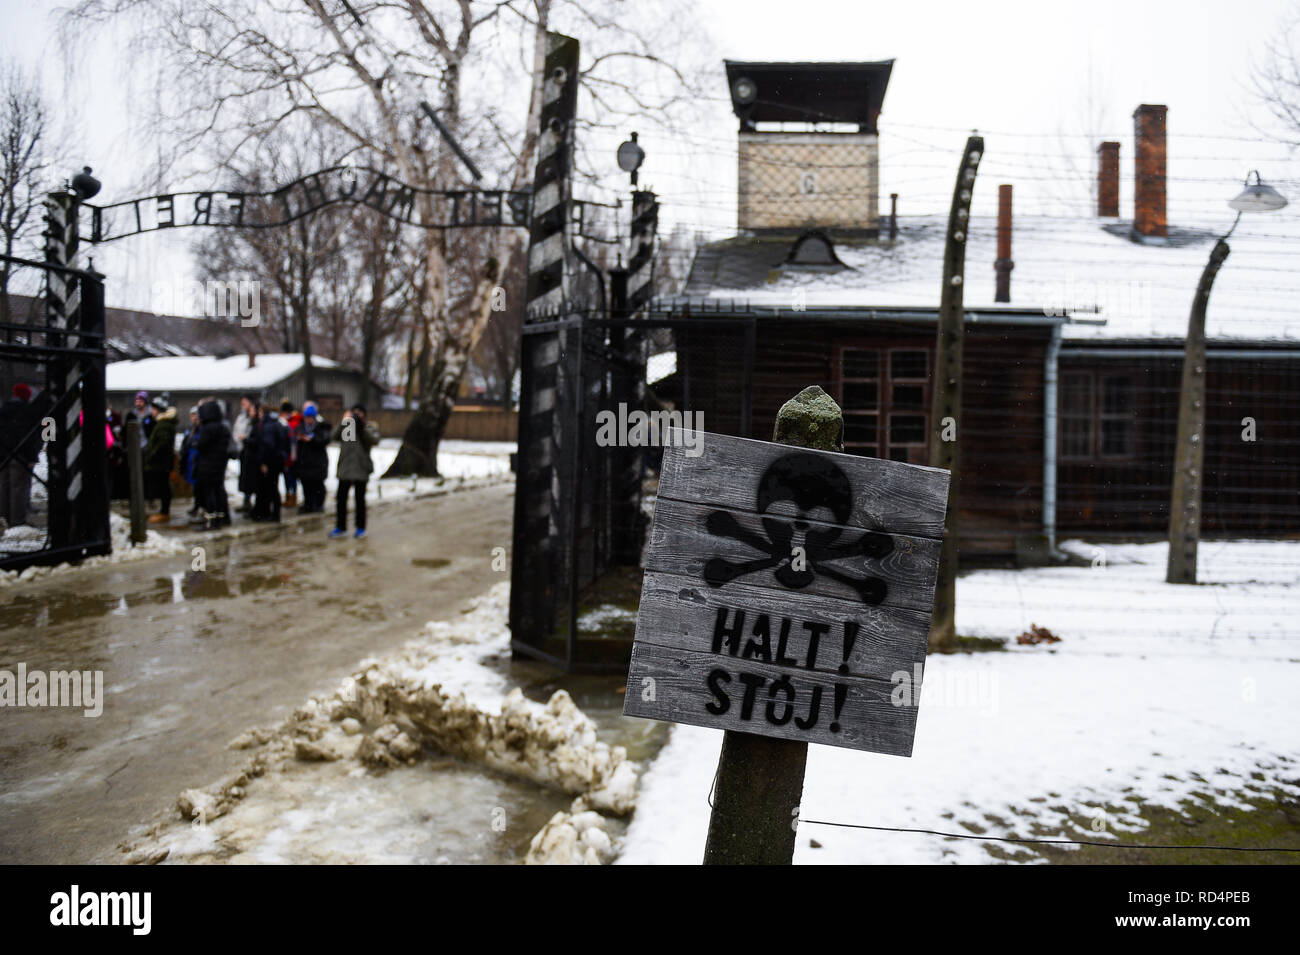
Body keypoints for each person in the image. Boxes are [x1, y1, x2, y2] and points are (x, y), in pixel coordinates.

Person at [0, 383, 46, 529]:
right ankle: (17, 522)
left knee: (3, 487)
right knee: (19, 488)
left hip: (2, 455)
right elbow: (29, 437)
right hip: (20, 456)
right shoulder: (27, 412)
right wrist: (32, 457)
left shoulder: (3, 410)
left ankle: (3, 518)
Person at [330, 404, 379, 539]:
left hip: (361, 470)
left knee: (360, 501)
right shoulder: (347, 428)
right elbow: (333, 437)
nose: (357, 416)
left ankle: (360, 528)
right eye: (354, 413)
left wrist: (362, 426)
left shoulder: (367, 427)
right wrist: (344, 421)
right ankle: (341, 527)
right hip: (345, 469)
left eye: (360, 413)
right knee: (341, 500)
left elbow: (375, 440)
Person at [193, 399, 233, 530]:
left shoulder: (207, 429)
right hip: (220, 464)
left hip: (208, 465)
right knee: (219, 491)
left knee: (210, 493)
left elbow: (201, 445)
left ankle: (211, 521)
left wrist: (195, 443)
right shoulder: (223, 427)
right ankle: (221, 518)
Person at [143, 393, 178, 524]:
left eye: (153, 409)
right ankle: (163, 511)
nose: (151, 412)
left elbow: (162, 445)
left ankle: (164, 512)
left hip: (161, 462)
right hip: (161, 462)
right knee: (163, 487)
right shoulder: (161, 423)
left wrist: (152, 455)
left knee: (164, 487)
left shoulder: (164, 424)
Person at [253, 403, 289, 522]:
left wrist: (264, 462)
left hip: (271, 461)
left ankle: (274, 515)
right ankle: (274, 513)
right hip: (278, 460)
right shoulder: (278, 424)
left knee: (271, 488)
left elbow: (268, 445)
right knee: (273, 487)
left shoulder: (268, 426)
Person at [294, 402, 331, 513]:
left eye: (310, 418)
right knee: (306, 485)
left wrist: (312, 440)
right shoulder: (301, 427)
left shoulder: (321, 427)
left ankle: (319, 504)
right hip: (304, 461)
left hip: (317, 462)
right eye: (306, 418)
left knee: (318, 485)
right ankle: (308, 505)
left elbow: (325, 440)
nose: (308, 420)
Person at [237, 400, 260, 514]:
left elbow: (256, 441)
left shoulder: (257, 424)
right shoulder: (250, 422)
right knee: (247, 482)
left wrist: (245, 440)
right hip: (247, 455)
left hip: (253, 457)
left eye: (252, 410)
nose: (250, 412)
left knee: (253, 483)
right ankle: (247, 502)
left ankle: (255, 507)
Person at [181, 406, 201, 517]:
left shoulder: (201, 429)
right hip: (190, 460)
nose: (194, 418)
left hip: (197, 460)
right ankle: (196, 505)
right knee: (194, 486)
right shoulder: (190, 429)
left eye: (196, 415)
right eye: (192, 415)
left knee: (199, 487)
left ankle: (199, 506)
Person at [280, 399, 301, 508]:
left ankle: (292, 497)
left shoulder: (293, 423)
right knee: (287, 477)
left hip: (292, 455)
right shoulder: (288, 422)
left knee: (291, 477)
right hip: (286, 454)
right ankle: (289, 496)